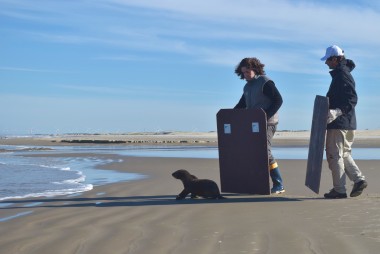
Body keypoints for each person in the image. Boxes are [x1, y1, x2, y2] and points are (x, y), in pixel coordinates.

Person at [321, 45, 368, 199]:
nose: (326, 63)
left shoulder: (342, 74)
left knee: (335, 155)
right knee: (344, 153)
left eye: (328, 60)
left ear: (335, 59)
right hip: (348, 123)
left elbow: (352, 98)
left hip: (339, 123)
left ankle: (339, 190)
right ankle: (358, 179)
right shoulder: (342, 73)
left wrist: (336, 112)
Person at [234, 57, 284, 194]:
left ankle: (278, 184)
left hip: (268, 123)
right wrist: (229, 116)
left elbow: (278, 100)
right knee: (254, 153)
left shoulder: (264, 82)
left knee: (265, 152)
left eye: (248, 71)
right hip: (254, 124)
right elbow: (241, 105)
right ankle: (256, 183)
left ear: (255, 69)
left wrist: (265, 116)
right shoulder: (247, 87)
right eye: (243, 73)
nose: (246, 75)